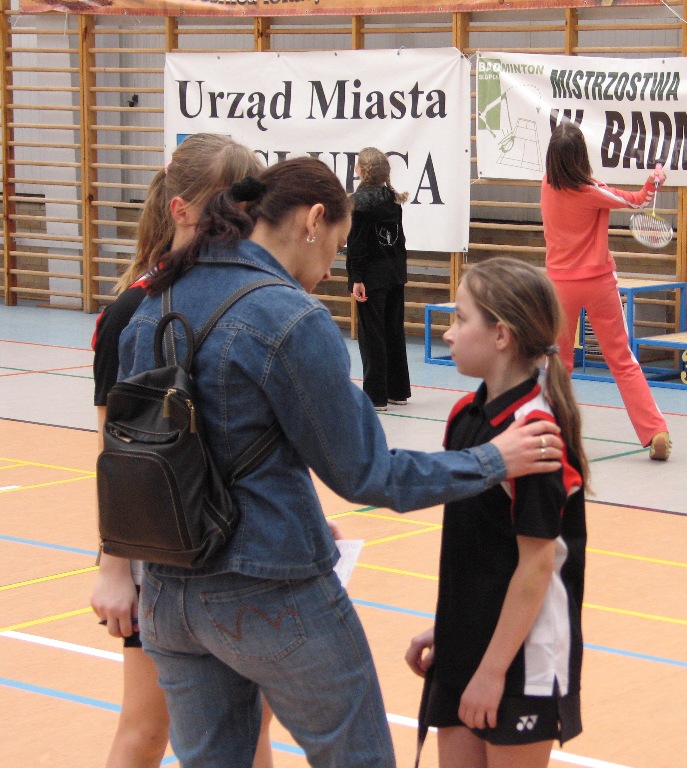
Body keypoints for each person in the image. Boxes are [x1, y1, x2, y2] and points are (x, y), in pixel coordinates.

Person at [118, 156, 564, 768]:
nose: (332, 267)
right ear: (313, 221)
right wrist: (490, 460)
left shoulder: (155, 301)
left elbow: (147, 453)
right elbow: (371, 475)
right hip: (269, 590)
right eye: (337, 244)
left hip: (168, 594)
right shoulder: (287, 317)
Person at [90, 133, 276, 768]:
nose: (239, 223)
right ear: (182, 209)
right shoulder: (133, 311)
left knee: (252, 725)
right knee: (148, 726)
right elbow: (118, 457)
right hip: (165, 550)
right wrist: (115, 569)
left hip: (243, 548)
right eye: (227, 207)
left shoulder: (250, 300)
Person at [405, 257, 588, 768]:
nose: (448, 333)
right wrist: (451, 627)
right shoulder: (465, 416)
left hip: (521, 658)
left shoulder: (535, 434)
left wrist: (491, 671)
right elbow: (477, 547)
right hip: (467, 643)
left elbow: (536, 565)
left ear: (501, 334)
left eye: (460, 319)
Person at [540, 120, 672, 461]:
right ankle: (654, 431)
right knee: (622, 361)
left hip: (560, 286)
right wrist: (653, 181)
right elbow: (638, 202)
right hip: (599, 283)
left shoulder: (547, 185)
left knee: (558, 363)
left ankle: (549, 432)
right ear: (582, 156)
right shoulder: (591, 191)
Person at [346, 147, 412, 413]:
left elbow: (357, 244)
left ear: (361, 170)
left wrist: (356, 278)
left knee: (372, 335)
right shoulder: (392, 198)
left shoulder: (358, 202)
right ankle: (398, 391)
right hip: (394, 272)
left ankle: (375, 396)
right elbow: (398, 239)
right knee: (393, 331)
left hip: (371, 276)